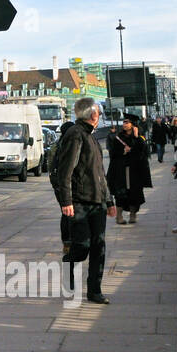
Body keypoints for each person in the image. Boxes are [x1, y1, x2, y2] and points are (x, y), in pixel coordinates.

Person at [49, 97, 116, 305]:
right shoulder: (75, 135)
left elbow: (100, 173)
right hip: (79, 202)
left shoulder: (91, 136)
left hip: (97, 201)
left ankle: (94, 290)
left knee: (99, 246)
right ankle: (69, 263)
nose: (100, 116)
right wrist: (66, 201)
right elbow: (65, 171)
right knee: (83, 245)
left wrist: (109, 200)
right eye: (99, 113)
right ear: (93, 115)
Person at [106, 118, 152, 224]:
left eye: (127, 122)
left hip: (135, 171)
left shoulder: (140, 137)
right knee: (120, 194)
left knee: (134, 194)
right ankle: (119, 216)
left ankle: (133, 215)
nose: (124, 124)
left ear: (133, 125)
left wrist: (136, 136)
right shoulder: (118, 138)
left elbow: (143, 151)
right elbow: (113, 153)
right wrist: (123, 151)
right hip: (121, 170)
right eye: (123, 122)